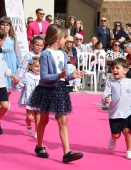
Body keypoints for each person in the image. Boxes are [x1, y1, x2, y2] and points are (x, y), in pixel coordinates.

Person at [27, 24, 85, 163]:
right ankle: (39, 145)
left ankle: (67, 152)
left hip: (60, 90)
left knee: (63, 120)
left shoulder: (63, 54)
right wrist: (59, 76)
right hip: (47, 90)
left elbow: (65, 74)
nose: (66, 40)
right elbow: (44, 76)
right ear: (58, 38)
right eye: (65, 37)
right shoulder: (45, 54)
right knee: (45, 119)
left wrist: (73, 75)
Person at [102, 58, 131, 160]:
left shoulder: (130, 82)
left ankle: (129, 150)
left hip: (127, 113)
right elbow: (104, 97)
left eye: (117, 68)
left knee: (127, 131)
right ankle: (113, 138)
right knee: (116, 135)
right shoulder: (111, 84)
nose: (114, 70)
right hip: (114, 114)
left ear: (125, 70)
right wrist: (106, 100)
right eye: (113, 68)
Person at [14, 57, 40, 139]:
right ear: (30, 66)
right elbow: (20, 85)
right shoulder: (27, 76)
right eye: (36, 66)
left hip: (40, 99)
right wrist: (16, 83)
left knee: (38, 116)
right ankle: (27, 122)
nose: (38, 68)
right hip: (29, 99)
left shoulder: (42, 76)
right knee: (30, 117)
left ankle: (37, 131)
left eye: (40, 66)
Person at [0, 28, 19, 135]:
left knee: (5, 106)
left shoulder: (1, 53)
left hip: (2, 85)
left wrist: (12, 75)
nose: (4, 43)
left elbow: (4, 68)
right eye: (4, 40)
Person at [0, 16, 18, 93]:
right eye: (3, 24)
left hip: (12, 60)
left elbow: (16, 50)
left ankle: (8, 97)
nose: (5, 26)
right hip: (3, 59)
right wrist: (3, 50)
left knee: (11, 78)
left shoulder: (12, 37)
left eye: (7, 25)